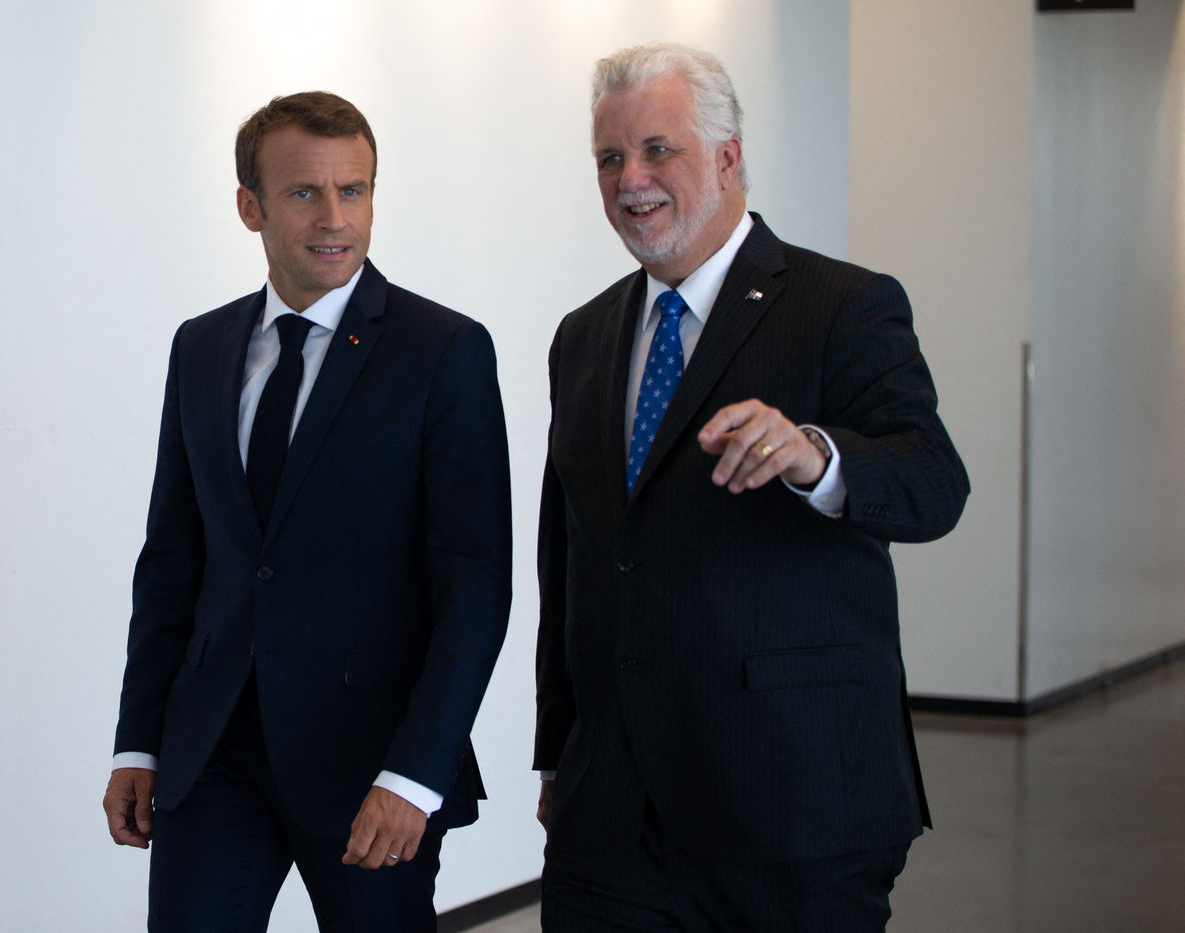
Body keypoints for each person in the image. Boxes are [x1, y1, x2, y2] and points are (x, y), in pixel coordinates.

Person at [533, 42, 969, 931]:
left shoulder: (842, 304)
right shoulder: (584, 335)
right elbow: (568, 558)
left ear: (728, 157)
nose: (630, 179)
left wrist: (817, 457)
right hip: (611, 816)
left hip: (791, 803)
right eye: (610, 157)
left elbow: (934, 481)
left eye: (658, 150)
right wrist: (559, 754)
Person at [102, 91, 512, 933]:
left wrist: (416, 773)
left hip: (371, 761)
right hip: (213, 749)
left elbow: (475, 585)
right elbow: (172, 559)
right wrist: (138, 739)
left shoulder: (442, 349)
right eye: (303, 193)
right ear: (249, 206)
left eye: (353, 190)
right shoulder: (201, 347)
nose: (335, 218)